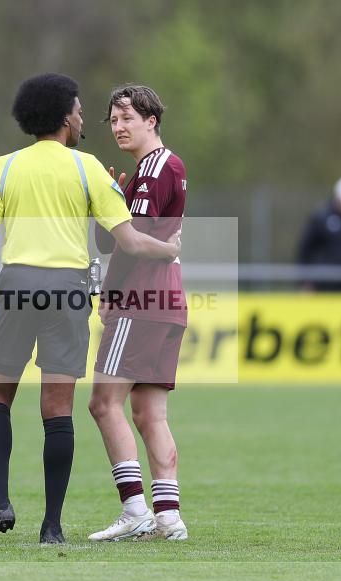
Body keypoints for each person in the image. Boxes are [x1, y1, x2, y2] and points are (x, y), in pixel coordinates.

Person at [0, 73, 181, 545]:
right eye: (78, 109)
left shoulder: (4, 168)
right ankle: (51, 527)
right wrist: (169, 248)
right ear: (64, 118)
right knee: (58, 410)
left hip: (16, 286)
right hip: (68, 291)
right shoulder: (87, 167)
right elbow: (130, 239)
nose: (83, 117)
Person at [87, 84, 189, 541]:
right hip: (169, 302)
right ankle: (168, 516)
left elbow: (130, 247)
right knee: (150, 414)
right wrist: (110, 202)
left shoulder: (154, 171)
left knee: (104, 402)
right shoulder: (146, 174)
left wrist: (111, 296)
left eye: (127, 117)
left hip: (141, 300)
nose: (118, 127)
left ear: (152, 121)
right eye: (112, 120)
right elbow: (112, 238)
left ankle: (135, 511)